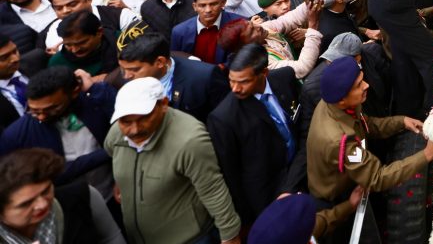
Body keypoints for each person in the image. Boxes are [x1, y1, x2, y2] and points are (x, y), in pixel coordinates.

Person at [307, 57, 433, 239]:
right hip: (336, 204)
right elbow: (376, 178)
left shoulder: (337, 104)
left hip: (352, 182)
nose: (366, 85)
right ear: (342, 100)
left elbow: (367, 125)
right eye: (359, 85)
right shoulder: (338, 140)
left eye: (362, 79)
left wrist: (401, 121)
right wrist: (426, 155)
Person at [104, 77, 242, 244]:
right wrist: (122, 182)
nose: (134, 129)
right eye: (126, 122)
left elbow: (213, 190)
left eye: (143, 119)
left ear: (163, 104)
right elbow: (114, 155)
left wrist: (230, 236)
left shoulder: (190, 140)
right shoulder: (116, 134)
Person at [207, 44, 300, 224]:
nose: (235, 88)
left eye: (243, 81)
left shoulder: (285, 78)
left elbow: (300, 124)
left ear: (263, 73)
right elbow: (231, 176)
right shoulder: (223, 118)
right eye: (231, 80)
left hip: (301, 175)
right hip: (268, 200)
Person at [0, 67, 115, 192]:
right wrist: (111, 151)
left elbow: (121, 122)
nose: (41, 116)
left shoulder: (94, 102)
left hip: (112, 189)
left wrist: (94, 89)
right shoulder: (16, 135)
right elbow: (52, 173)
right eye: (34, 111)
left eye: (51, 108)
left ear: (75, 92)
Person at [0, 147, 125, 244]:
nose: (42, 204)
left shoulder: (83, 197)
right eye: (26, 203)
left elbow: (111, 238)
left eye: (46, 191)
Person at [117, 30, 228, 122]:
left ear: (160, 62)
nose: (126, 76)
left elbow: (222, 121)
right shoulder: (129, 81)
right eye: (123, 70)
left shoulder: (204, 76)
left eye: (134, 70)